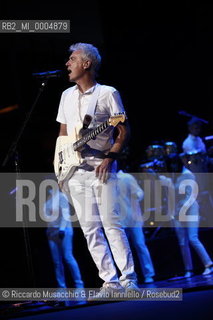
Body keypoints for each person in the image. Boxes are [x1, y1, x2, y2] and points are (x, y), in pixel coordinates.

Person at [55, 43, 139, 296]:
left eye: (72, 59)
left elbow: (123, 130)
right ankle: (110, 282)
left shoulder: (107, 93)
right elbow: (63, 135)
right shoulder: (66, 96)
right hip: (74, 171)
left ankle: (128, 280)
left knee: (112, 224)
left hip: (101, 167)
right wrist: (60, 167)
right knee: (90, 229)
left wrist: (110, 158)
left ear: (86, 63)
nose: (67, 64)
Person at [164, 153, 213, 278]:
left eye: (175, 163)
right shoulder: (172, 176)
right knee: (182, 242)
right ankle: (188, 269)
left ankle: (209, 264)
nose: (173, 166)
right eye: (171, 164)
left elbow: (191, 197)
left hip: (190, 209)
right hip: (177, 211)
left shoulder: (187, 175)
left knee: (193, 238)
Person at [116, 169, 155, 284]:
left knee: (139, 245)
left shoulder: (126, 177)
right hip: (120, 221)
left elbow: (140, 193)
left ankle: (149, 274)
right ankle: (129, 278)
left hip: (134, 219)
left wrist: (135, 195)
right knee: (124, 250)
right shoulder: (108, 180)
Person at [44, 187, 84, 289]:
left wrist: (61, 229)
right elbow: (46, 217)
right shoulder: (47, 200)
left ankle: (79, 284)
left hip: (64, 231)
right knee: (57, 261)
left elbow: (65, 215)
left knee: (68, 257)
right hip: (52, 233)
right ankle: (61, 287)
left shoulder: (61, 197)